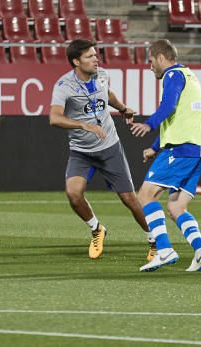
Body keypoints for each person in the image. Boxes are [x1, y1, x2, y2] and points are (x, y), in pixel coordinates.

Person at [49, 39, 151, 260]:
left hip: (109, 148)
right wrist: (83, 125)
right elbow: (54, 118)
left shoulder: (102, 75)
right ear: (76, 61)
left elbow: (108, 94)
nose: (96, 59)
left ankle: (155, 240)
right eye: (90, 56)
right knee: (73, 195)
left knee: (130, 200)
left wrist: (123, 108)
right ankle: (97, 229)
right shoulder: (64, 86)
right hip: (81, 152)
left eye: (96, 55)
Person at [127, 40, 201, 272]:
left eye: (151, 61)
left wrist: (149, 124)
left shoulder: (172, 75)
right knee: (176, 208)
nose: (150, 66)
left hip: (181, 149)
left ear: (161, 58)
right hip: (199, 151)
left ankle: (164, 250)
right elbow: (177, 119)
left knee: (145, 195)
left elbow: (169, 106)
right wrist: (155, 147)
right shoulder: (190, 76)